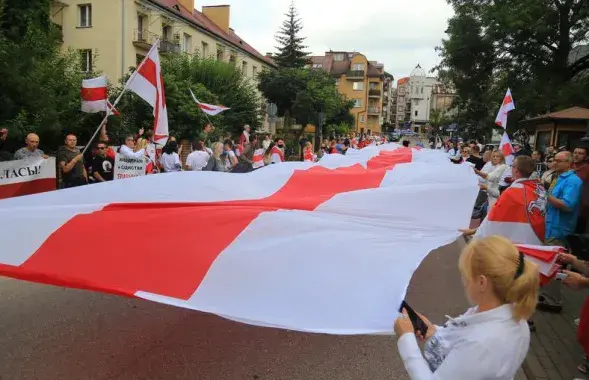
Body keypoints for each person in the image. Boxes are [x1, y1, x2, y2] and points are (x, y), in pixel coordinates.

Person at [395, 236, 539, 379]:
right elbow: (463, 345)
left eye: (465, 275)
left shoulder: (481, 343)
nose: (464, 281)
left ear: (482, 283)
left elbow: (470, 348)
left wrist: (406, 338)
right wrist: (433, 332)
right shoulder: (515, 319)